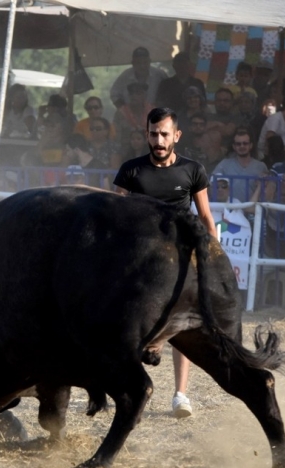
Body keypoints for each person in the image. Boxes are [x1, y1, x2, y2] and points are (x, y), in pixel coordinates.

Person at [113, 107, 216, 419]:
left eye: (164, 135)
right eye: (153, 134)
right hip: (138, 259)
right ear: (146, 134)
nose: (158, 140)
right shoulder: (130, 171)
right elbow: (113, 215)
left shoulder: (193, 170)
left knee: (180, 324)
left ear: (177, 136)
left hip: (179, 258)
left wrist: (211, 255)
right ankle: (124, 389)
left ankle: (180, 394)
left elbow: (206, 216)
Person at [211, 129, 268, 201]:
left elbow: (267, 191)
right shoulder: (224, 164)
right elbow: (212, 184)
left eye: (245, 143)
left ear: (251, 145)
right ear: (234, 146)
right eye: (238, 144)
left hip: (253, 210)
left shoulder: (261, 166)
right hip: (231, 210)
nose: (242, 146)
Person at [113, 82, 152, 149]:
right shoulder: (121, 113)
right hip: (126, 149)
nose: (134, 96)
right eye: (131, 93)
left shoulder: (153, 112)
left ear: (144, 96)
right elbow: (116, 137)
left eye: (138, 93)